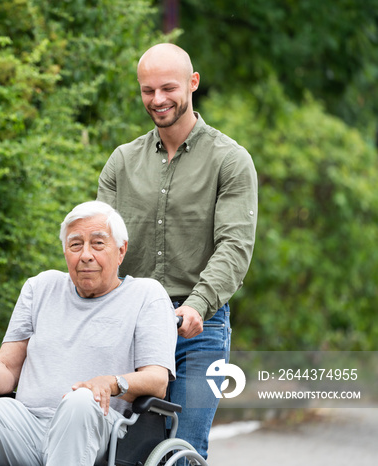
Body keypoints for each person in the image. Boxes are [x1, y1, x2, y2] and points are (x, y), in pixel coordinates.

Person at [97, 43, 258, 461]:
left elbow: (234, 246)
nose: (158, 100)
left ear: (193, 83)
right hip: (130, 324)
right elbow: (102, 247)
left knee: (180, 453)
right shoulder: (121, 163)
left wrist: (198, 305)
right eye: (147, 91)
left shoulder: (231, 161)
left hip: (198, 330)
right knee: (118, 449)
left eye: (168, 88)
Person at [0, 200, 177, 466]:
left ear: (121, 250)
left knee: (81, 400)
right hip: (27, 425)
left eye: (97, 243)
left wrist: (111, 383)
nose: (85, 255)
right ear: (65, 252)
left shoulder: (146, 295)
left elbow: (157, 381)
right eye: (75, 245)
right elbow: (6, 368)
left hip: (101, 429)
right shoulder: (40, 288)